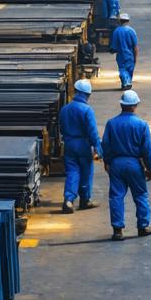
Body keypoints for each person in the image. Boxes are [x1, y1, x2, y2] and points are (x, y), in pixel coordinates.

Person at [102, 89, 151, 241]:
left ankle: (117, 230)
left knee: (116, 196)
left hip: (116, 164)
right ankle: (143, 226)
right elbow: (147, 150)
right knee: (140, 195)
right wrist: (150, 167)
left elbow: (105, 145)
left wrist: (107, 162)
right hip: (134, 164)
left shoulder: (112, 123)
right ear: (135, 105)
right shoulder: (142, 125)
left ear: (121, 104)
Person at [58, 78, 103, 214]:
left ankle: (68, 200)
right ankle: (84, 200)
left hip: (69, 144)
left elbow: (61, 129)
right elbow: (92, 131)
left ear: (76, 92)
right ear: (88, 95)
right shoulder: (87, 110)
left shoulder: (65, 109)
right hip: (83, 144)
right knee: (86, 171)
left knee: (72, 171)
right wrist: (98, 149)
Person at [109, 13, 138, 89]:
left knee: (122, 69)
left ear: (119, 21)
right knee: (130, 69)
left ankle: (125, 83)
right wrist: (135, 57)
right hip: (130, 55)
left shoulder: (116, 31)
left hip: (121, 55)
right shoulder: (132, 31)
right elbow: (135, 46)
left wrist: (112, 50)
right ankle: (128, 82)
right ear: (128, 21)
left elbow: (114, 46)